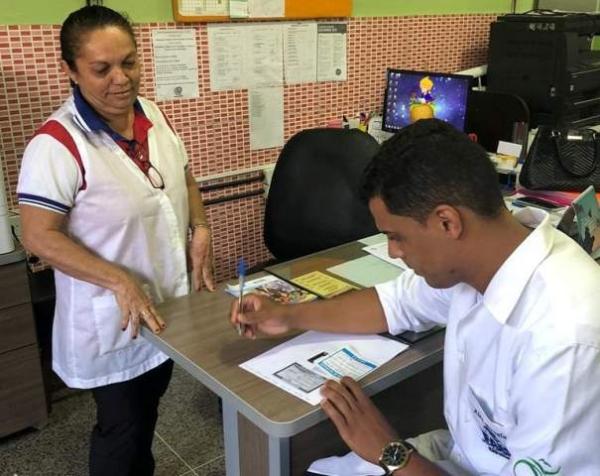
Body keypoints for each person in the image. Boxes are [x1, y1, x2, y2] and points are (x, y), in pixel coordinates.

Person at [231, 119, 600, 475]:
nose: (392, 252)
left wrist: (389, 453)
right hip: (467, 456)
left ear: (446, 222)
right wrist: (289, 315)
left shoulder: (563, 341)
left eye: (397, 236)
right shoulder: (486, 258)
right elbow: (394, 303)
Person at [17, 6, 215, 476]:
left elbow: (182, 176)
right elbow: (37, 235)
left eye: (129, 62)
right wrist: (118, 279)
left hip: (162, 306)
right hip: (112, 321)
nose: (120, 79)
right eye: (101, 69)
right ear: (71, 70)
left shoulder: (151, 113)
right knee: (121, 430)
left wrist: (201, 226)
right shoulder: (57, 144)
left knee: (144, 415)